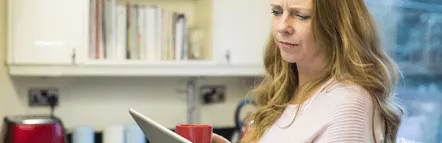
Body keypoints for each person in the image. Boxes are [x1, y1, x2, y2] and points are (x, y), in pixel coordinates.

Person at [212, 0, 404, 142]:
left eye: (301, 15)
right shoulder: (287, 94)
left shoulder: (349, 103)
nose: (282, 27)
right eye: (277, 11)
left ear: (337, 24)